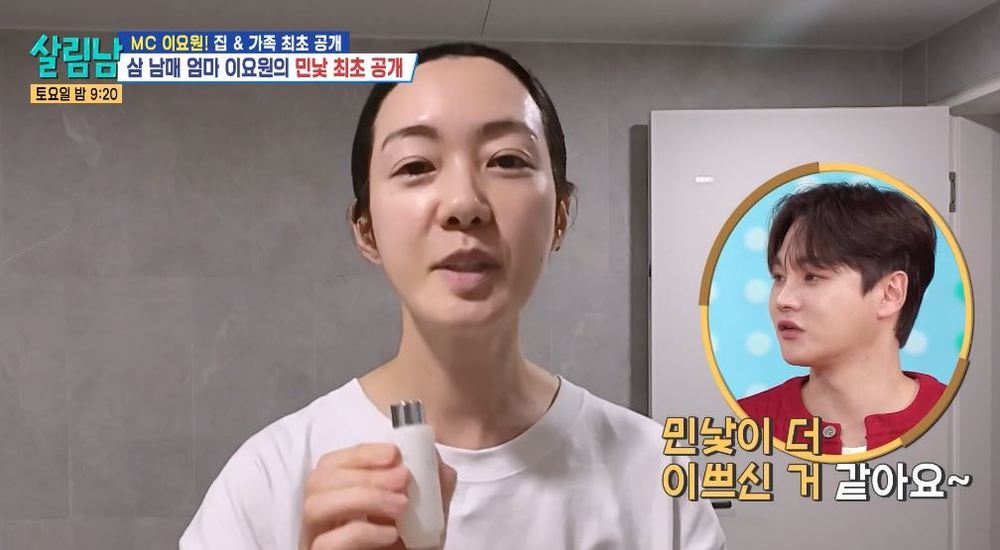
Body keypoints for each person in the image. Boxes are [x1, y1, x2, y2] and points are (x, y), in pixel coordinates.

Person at [180, 42, 726, 549]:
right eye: (416, 166)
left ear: (560, 216)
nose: (464, 204)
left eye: (507, 160)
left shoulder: (657, 477)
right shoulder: (269, 481)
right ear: (366, 229)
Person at [738, 182, 946, 455]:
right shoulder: (742, 427)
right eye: (779, 277)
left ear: (890, 293)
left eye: (812, 277)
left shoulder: (964, 420)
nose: (783, 300)